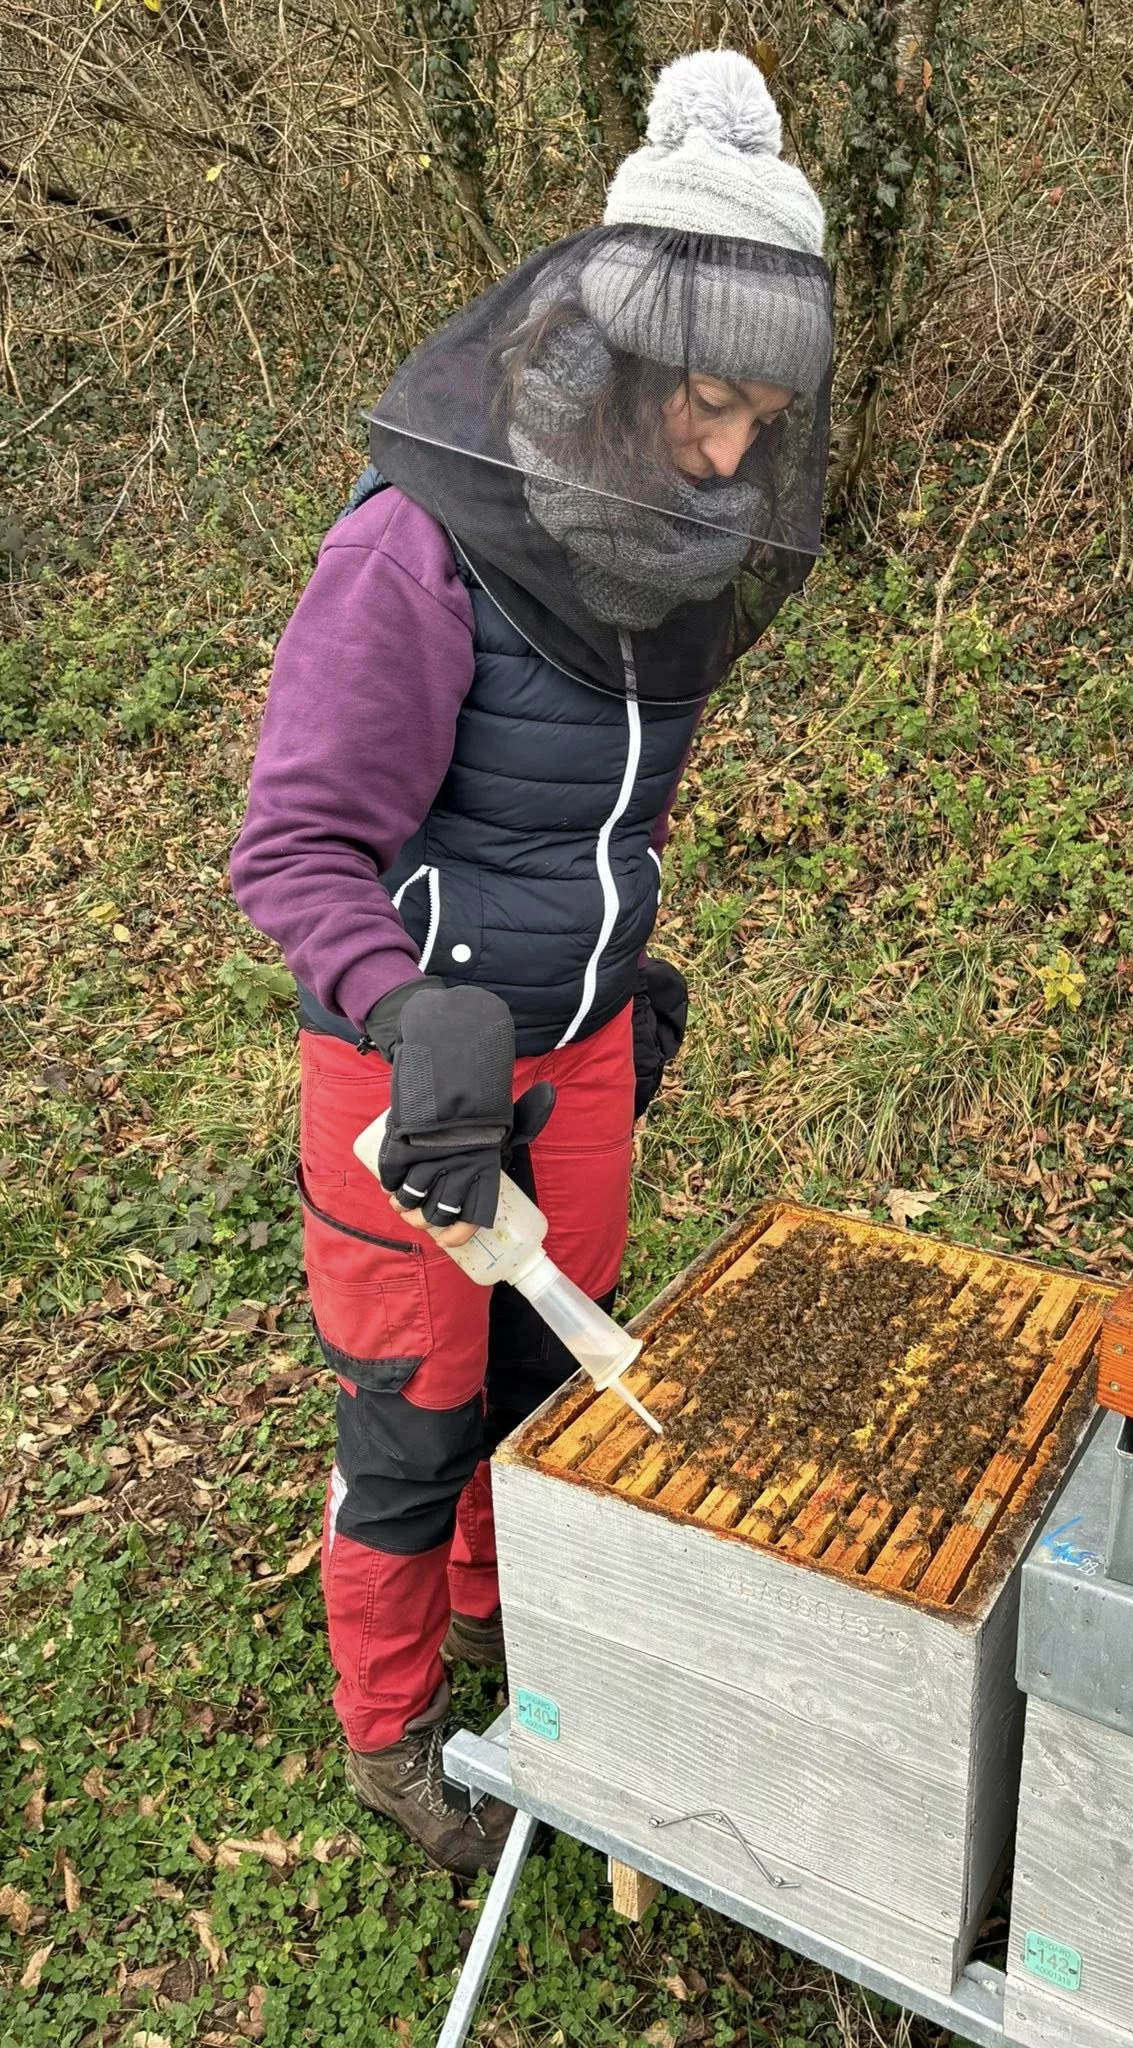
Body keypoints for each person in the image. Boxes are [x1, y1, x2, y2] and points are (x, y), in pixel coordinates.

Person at [230, 49, 833, 1874]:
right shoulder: (413, 549)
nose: (730, 455)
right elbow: (292, 848)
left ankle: (514, 1627)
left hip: (575, 1064)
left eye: (762, 420)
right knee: (414, 1426)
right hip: (411, 1081)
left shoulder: (667, 560)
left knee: (537, 1390)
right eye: (709, 406)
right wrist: (409, 1009)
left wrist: (616, 971)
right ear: (623, 365)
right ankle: (395, 1730)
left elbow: (591, 825)